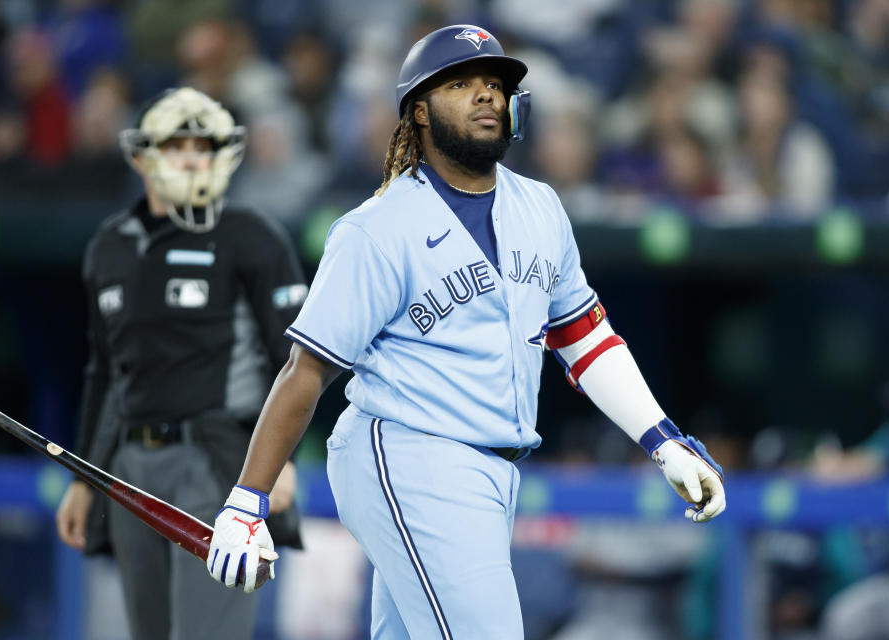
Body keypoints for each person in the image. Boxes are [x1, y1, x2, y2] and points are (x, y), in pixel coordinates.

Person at [205, 25, 726, 639]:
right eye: (461, 83)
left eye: (494, 84)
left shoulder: (540, 208)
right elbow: (307, 370)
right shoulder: (376, 229)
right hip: (409, 454)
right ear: (419, 112)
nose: (486, 95)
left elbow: (585, 338)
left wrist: (664, 441)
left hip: (493, 470)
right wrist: (248, 498)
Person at [54, 87, 306, 640]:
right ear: (142, 156)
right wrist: (82, 479)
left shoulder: (251, 235)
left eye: (205, 145)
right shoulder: (109, 246)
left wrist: (277, 464)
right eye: (178, 145)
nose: (194, 158)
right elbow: (104, 372)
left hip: (218, 464)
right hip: (130, 466)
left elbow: (301, 362)